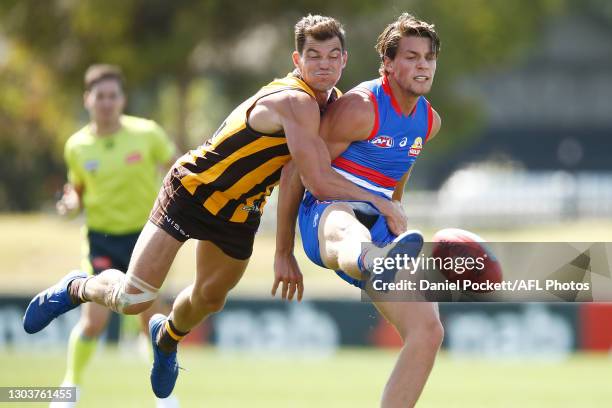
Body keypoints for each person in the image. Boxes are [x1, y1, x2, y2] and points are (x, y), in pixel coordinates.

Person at [24, 15, 409, 399]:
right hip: (192, 191)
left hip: (240, 212)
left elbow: (293, 176)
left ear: (344, 60)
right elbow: (318, 180)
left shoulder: (332, 107)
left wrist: (283, 250)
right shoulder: (296, 102)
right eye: (314, 55)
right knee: (132, 299)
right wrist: (384, 205)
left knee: (210, 299)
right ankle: (77, 286)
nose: (323, 64)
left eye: (332, 55)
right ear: (297, 60)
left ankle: (166, 336)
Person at [272, 13, 443, 408]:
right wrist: (283, 253)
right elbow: (298, 173)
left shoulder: (428, 122)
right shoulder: (359, 108)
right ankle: (371, 259)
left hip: (380, 228)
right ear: (387, 64)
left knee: (428, 331)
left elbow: (398, 172)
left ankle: (379, 257)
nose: (422, 66)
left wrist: (394, 212)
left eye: (429, 58)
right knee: (348, 224)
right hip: (328, 216)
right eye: (412, 57)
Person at [47, 65, 179, 407]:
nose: (106, 103)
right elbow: (76, 191)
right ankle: (70, 386)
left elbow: (178, 169)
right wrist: (70, 203)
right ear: (87, 99)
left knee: (151, 317)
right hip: (102, 239)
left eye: (113, 96)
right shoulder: (76, 146)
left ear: (122, 99)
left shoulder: (147, 133)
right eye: (100, 96)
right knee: (94, 322)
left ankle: (165, 396)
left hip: (145, 237)